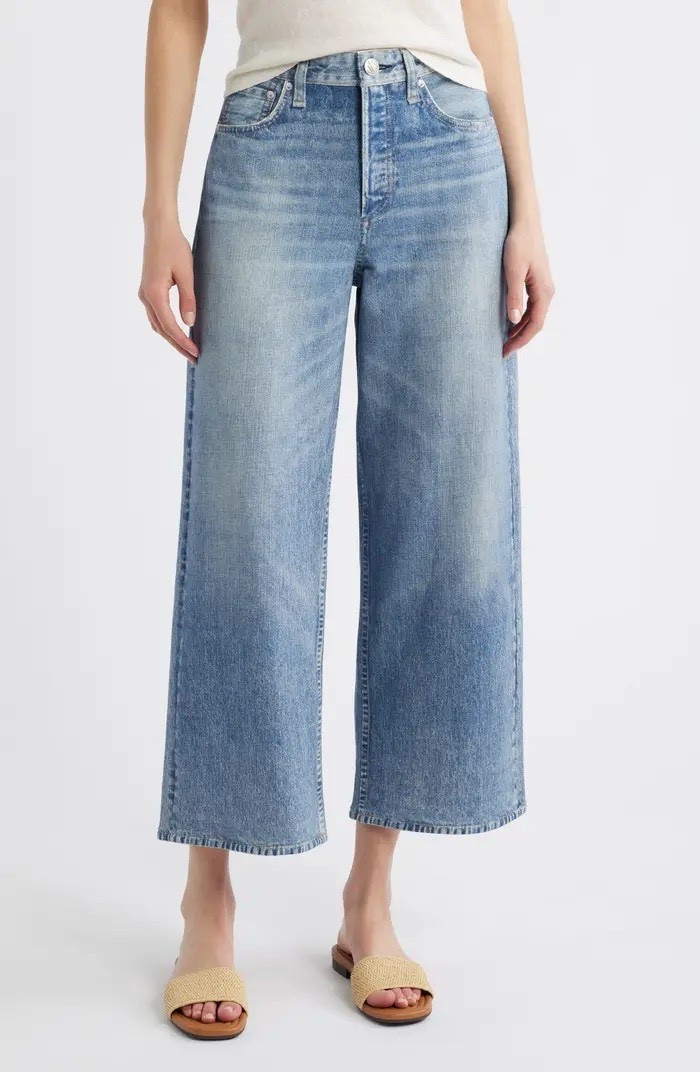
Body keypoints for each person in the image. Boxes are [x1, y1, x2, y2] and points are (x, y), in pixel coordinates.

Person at [139, 0, 554, 1039]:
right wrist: (157, 213)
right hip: (274, 141)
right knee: (244, 528)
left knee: (442, 527)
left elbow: (485, 8)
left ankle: (370, 896)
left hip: (449, 142)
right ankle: (208, 898)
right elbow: (179, 8)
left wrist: (529, 209)